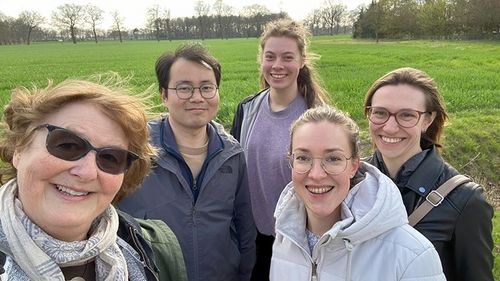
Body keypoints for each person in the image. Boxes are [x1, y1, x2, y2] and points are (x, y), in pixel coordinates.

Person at [0, 76, 188, 281]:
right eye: (67, 145)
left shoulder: (153, 249)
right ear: (19, 148)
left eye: (110, 158)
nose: (87, 172)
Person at [118, 43, 256, 281]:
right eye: (184, 88)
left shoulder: (232, 155)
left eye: (207, 88)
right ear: (164, 95)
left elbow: (244, 228)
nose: (197, 97)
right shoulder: (134, 152)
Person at [270, 105, 445, 281]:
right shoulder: (285, 237)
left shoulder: (412, 255)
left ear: (354, 166)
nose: (316, 174)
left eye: (333, 159)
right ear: (291, 161)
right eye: (303, 158)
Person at [363, 67, 494, 281]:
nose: (390, 127)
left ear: (428, 120)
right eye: (380, 113)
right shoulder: (351, 181)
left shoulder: (465, 201)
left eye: (406, 115)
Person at [230, 19, 329, 280]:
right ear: (260, 58)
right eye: (270, 56)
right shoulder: (248, 109)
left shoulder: (317, 117)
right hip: (253, 237)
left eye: (287, 57)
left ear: (302, 60)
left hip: (300, 240)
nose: (277, 66)